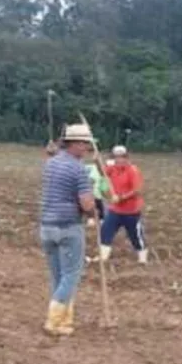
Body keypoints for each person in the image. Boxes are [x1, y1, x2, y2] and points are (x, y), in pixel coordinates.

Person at [40, 123, 96, 336]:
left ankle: (65, 321)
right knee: (71, 274)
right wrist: (95, 214)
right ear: (76, 143)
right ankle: (53, 321)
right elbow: (87, 204)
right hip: (68, 227)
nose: (87, 149)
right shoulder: (78, 168)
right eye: (85, 144)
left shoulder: (51, 163)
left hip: (46, 227)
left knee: (59, 276)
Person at [98, 145, 148, 264]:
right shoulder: (113, 168)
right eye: (116, 157)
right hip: (115, 210)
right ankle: (103, 257)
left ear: (126, 157)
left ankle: (142, 258)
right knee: (105, 231)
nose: (119, 160)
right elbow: (102, 173)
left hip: (131, 210)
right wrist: (96, 160)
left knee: (135, 235)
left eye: (121, 157)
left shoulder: (132, 170)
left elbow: (137, 190)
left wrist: (121, 198)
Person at [85, 159, 112, 225]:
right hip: (87, 191)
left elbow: (103, 189)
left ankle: (100, 219)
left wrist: (109, 198)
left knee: (99, 204)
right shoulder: (94, 169)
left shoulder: (106, 176)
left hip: (95, 193)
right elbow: (91, 180)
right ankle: (91, 218)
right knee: (92, 203)